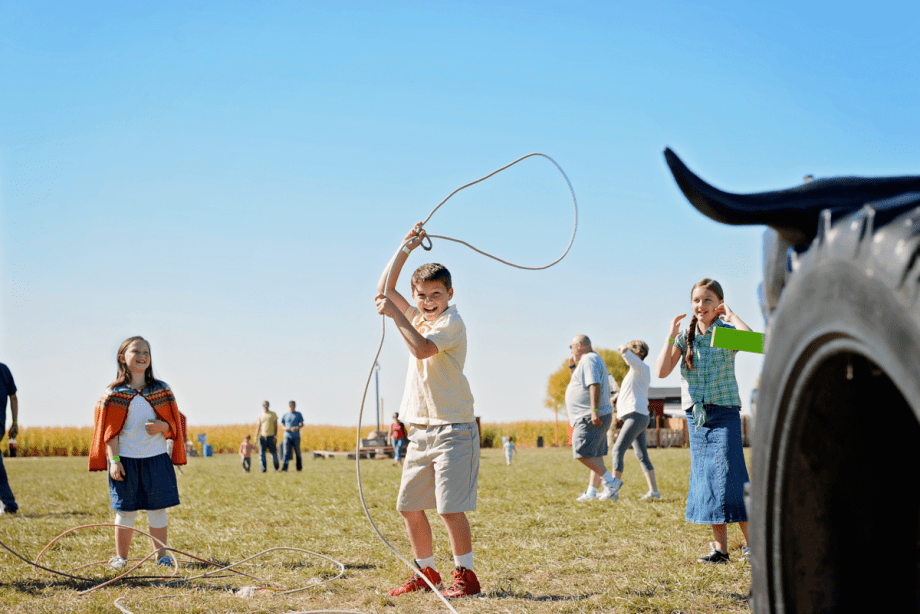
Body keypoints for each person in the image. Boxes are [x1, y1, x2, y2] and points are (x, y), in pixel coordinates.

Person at [375, 223, 481, 598]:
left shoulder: (451, 323)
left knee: (449, 509)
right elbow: (385, 290)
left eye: (436, 294)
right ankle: (426, 573)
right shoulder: (419, 315)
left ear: (450, 293)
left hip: (454, 429)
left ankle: (466, 577)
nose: (427, 301)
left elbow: (421, 349)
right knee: (409, 507)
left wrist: (397, 315)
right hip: (420, 430)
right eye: (421, 296)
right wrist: (406, 246)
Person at [656, 278, 751, 564]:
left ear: (718, 304)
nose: (701, 306)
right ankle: (720, 550)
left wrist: (732, 317)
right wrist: (670, 335)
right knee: (707, 479)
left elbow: (755, 343)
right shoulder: (686, 336)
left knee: (730, 475)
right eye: (697, 300)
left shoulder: (723, 333)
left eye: (708, 300)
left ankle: (753, 545)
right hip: (696, 416)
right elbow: (661, 372)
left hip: (723, 412)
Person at [88, 336, 187, 569]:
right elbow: (109, 432)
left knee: (157, 511)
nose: (143, 356)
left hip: (156, 460)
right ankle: (121, 557)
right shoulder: (114, 392)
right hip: (126, 461)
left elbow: (175, 425)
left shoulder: (161, 390)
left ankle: (162, 556)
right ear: (122, 357)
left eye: (147, 352)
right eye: (136, 351)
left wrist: (164, 428)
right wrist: (114, 461)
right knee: (125, 511)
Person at [566, 335, 619, 501]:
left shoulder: (589, 359)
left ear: (579, 345)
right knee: (595, 454)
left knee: (581, 451)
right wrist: (572, 367)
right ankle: (592, 492)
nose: (571, 350)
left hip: (590, 416)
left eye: (571, 346)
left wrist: (594, 411)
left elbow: (594, 384)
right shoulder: (589, 360)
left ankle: (611, 482)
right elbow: (579, 382)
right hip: (594, 414)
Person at [609, 340, 660, 500]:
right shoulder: (636, 371)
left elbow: (624, 351)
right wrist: (616, 397)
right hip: (637, 416)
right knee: (642, 455)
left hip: (635, 416)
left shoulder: (641, 367)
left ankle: (613, 491)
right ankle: (654, 492)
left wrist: (623, 347)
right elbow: (629, 391)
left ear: (637, 353)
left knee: (617, 450)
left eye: (632, 348)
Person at [0, 362, 19, 514]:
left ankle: (9, 504)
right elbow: (13, 398)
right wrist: (14, 422)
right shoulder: (4, 369)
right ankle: (9, 504)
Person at [255, 401, 279, 472]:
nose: (266, 406)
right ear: (262, 406)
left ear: (268, 406)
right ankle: (263, 470)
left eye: (267, 405)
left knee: (274, 454)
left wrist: (275, 436)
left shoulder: (273, 414)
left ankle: (276, 468)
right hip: (263, 437)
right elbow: (258, 427)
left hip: (271, 437)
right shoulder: (260, 415)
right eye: (264, 405)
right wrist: (256, 436)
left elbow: (276, 426)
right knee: (262, 454)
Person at [280, 400, 304, 472]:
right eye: (290, 405)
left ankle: (299, 468)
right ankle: (284, 468)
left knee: (297, 452)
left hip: (296, 436)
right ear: (289, 406)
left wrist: (296, 428)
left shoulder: (298, 414)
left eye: (293, 405)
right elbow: (282, 424)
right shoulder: (285, 415)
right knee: (286, 453)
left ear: (295, 406)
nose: (292, 406)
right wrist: (285, 428)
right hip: (287, 436)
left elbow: (301, 424)